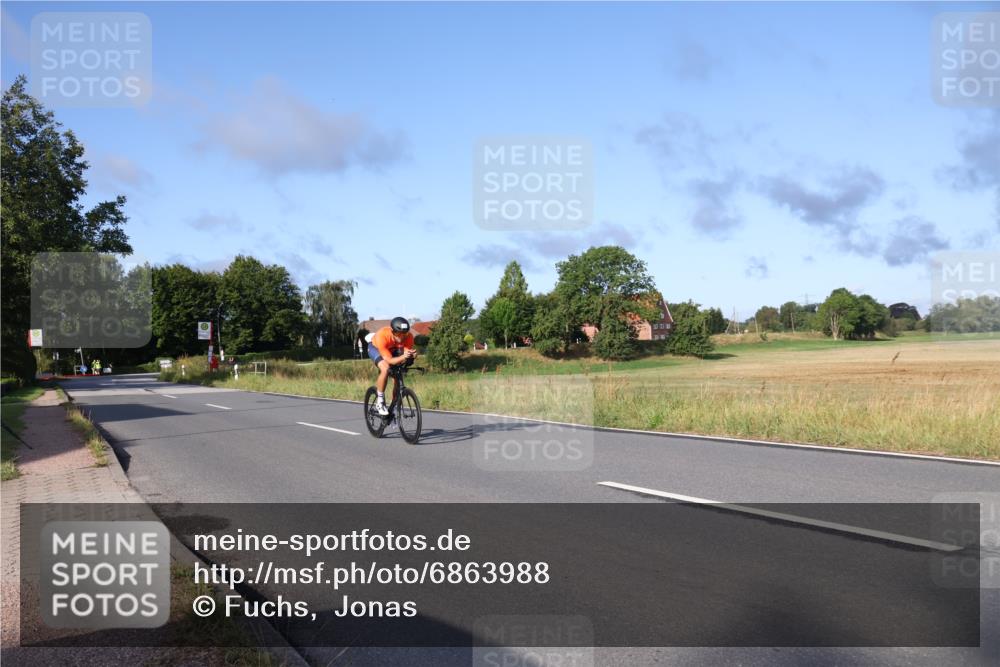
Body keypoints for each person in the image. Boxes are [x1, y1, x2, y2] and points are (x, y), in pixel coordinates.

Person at [367, 316, 416, 415]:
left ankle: (393, 407)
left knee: (397, 378)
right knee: (385, 368)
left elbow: (405, 352)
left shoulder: (409, 337)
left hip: (392, 350)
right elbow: (389, 360)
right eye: (398, 334)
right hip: (375, 348)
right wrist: (404, 356)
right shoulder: (383, 335)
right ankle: (380, 401)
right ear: (393, 332)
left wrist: (412, 355)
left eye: (404, 334)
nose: (401, 337)